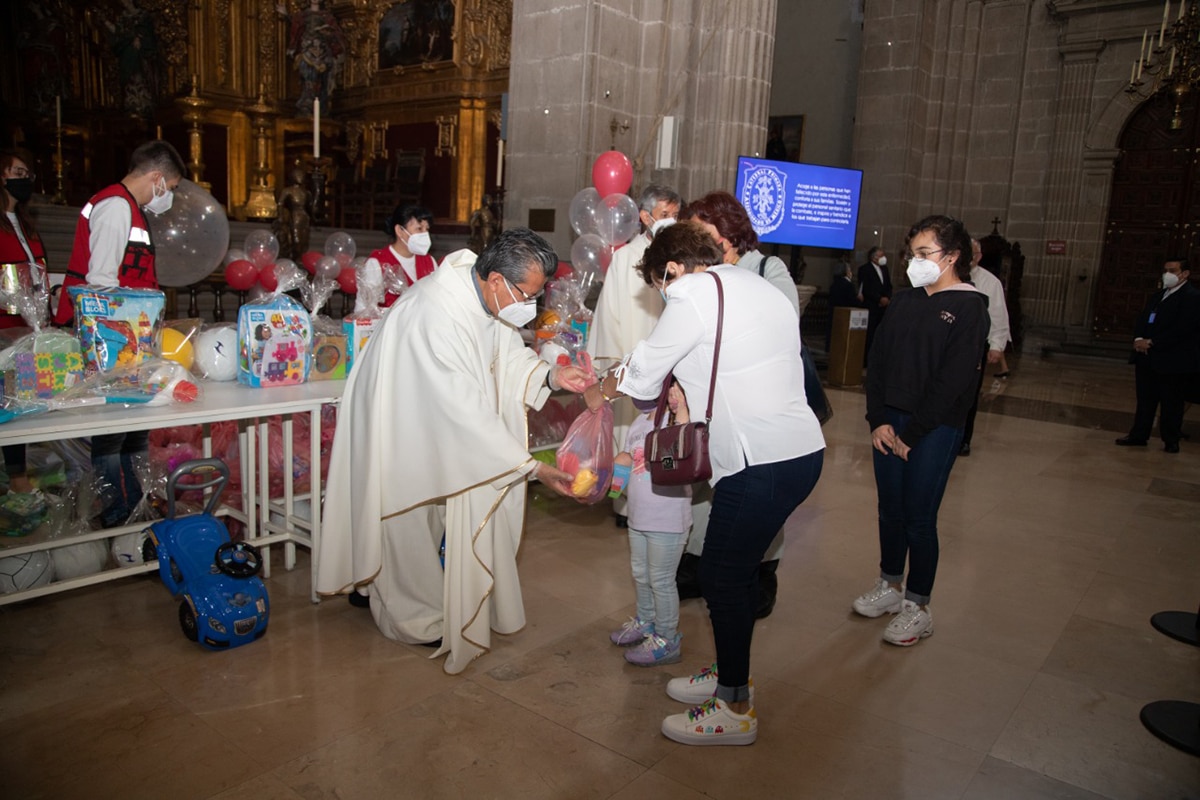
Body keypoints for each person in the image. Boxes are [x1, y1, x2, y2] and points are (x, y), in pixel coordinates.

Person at [587, 221, 825, 746]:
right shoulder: (755, 286)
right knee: (734, 574)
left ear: (671, 269)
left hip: (759, 460)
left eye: (659, 285)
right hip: (797, 451)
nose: (663, 296)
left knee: (720, 575)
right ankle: (728, 675)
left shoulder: (693, 291)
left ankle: (735, 707)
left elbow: (644, 374)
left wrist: (600, 387)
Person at [316, 229, 596, 674]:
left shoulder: (483, 295)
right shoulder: (436, 313)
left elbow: (505, 355)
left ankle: (402, 597)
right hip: (399, 425)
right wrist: (531, 468)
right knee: (404, 517)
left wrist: (551, 378)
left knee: (431, 517)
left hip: (433, 423)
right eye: (528, 294)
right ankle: (412, 618)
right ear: (496, 280)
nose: (531, 306)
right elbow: (462, 409)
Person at [852, 215, 988, 646]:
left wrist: (915, 432)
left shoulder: (970, 307)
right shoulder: (907, 301)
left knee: (919, 517)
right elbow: (879, 361)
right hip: (890, 422)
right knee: (889, 508)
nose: (915, 262)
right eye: (912, 254)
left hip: (934, 427)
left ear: (952, 257)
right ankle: (890, 585)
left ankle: (918, 605)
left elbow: (955, 380)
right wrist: (880, 419)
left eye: (925, 254)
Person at [676, 190, 800, 616]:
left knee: (754, 496)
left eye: (701, 230)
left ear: (727, 231)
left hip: (758, 409)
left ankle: (761, 572)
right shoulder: (700, 275)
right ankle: (698, 565)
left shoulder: (768, 268)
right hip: (711, 404)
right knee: (706, 488)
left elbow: (783, 326)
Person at [52, 139, 185, 527]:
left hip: (129, 340)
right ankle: (119, 515)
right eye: (171, 189)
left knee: (134, 435)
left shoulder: (132, 209)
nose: (169, 197)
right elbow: (102, 284)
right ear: (157, 178)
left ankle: (137, 507)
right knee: (112, 436)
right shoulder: (115, 207)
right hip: (112, 340)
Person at [587, 183, 681, 524]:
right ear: (645, 217)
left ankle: (666, 496)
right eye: (665, 215)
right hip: (635, 361)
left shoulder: (680, 255)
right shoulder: (626, 257)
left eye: (676, 215)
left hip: (673, 362)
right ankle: (625, 505)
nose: (672, 221)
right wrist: (617, 364)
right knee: (632, 433)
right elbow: (610, 313)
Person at [608, 381, 692, 667]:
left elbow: (683, 448)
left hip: (667, 520)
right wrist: (612, 484)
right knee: (640, 574)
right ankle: (646, 622)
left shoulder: (676, 420)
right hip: (639, 517)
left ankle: (668, 639)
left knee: (661, 580)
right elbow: (628, 459)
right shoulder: (639, 423)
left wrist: (680, 408)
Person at [1115, 257, 1200, 453]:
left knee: (1172, 402)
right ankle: (1139, 434)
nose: (1167, 274)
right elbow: (1144, 318)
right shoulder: (1159, 295)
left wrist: (1153, 342)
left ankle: (1170, 439)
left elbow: (1184, 329)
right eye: (1165, 270)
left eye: (1172, 270)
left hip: (1173, 359)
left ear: (1185, 274)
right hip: (1147, 357)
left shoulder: (1192, 297)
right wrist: (1138, 338)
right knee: (1146, 399)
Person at [0, 151, 48, 495]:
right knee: (8, 402)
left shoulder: (25, 223)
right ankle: (15, 476)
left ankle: (25, 471)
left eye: (27, 172)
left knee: (26, 398)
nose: (25, 178)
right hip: (3, 326)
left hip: (29, 325)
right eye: (18, 172)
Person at [960, 238, 1012, 456]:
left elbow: (998, 316)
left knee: (969, 394)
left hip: (973, 346)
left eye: (970, 253)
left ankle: (963, 439)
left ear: (978, 256)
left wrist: (996, 345)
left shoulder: (990, 283)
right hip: (945, 343)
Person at [362, 203, 435, 307]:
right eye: (419, 229)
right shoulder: (377, 263)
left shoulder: (429, 261)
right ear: (400, 231)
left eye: (427, 229)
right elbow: (364, 308)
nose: (425, 234)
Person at [283, 0, 347, 114]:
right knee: (307, 75)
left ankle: (321, 103)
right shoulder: (302, 15)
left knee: (323, 79)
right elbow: (296, 27)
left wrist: (328, 34)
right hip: (307, 49)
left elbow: (336, 34)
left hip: (322, 51)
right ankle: (307, 101)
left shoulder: (327, 16)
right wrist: (286, 15)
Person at [857, 245, 892, 363]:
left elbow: (888, 285)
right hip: (871, 305)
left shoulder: (885, 269)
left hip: (883, 308)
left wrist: (887, 297)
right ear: (874, 257)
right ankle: (866, 359)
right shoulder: (865, 269)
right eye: (881, 255)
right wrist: (879, 299)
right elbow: (866, 288)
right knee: (869, 334)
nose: (884, 258)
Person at [826, 256, 863, 351]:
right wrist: (859, 300)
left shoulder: (834, 284)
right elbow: (851, 301)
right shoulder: (848, 285)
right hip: (846, 317)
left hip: (834, 314)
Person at [274, 167, 311, 260]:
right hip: (295, 216)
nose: (300, 177)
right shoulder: (288, 190)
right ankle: (295, 258)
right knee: (296, 240)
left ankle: (299, 259)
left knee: (304, 240)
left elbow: (310, 206)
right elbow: (280, 204)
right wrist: (281, 216)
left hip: (304, 216)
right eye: (298, 175)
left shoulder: (305, 192)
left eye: (302, 175)